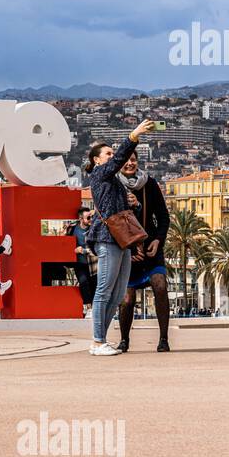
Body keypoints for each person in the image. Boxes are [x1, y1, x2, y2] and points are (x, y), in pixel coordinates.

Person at [84, 119, 156, 356]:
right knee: (104, 290)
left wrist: (133, 204)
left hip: (121, 238)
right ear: (97, 159)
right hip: (107, 238)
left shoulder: (113, 181)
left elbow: (119, 209)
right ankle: (97, 340)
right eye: (108, 153)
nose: (112, 156)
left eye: (112, 153)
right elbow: (118, 161)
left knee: (117, 294)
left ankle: (100, 340)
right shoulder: (99, 175)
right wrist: (133, 135)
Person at [116, 151, 172, 353]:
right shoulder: (113, 185)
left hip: (150, 248)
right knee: (128, 299)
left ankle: (164, 339)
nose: (130, 163)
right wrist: (127, 249)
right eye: (126, 160)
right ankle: (124, 340)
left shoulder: (150, 184)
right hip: (126, 249)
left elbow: (164, 217)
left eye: (133, 159)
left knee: (160, 284)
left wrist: (158, 240)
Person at [71, 208, 97, 312]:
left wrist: (83, 251)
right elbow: (64, 243)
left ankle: (94, 309)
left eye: (91, 217)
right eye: (88, 217)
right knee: (83, 282)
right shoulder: (72, 229)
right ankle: (89, 308)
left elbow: (97, 250)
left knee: (94, 286)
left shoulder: (94, 230)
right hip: (79, 263)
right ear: (81, 218)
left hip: (93, 264)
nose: (91, 219)